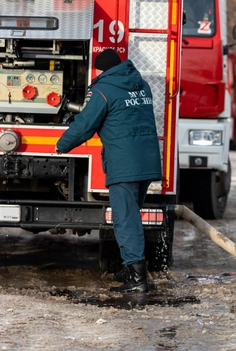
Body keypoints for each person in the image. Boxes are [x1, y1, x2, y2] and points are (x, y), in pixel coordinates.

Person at [56, 48, 161, 294]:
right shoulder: (141, 85)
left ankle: (137, 278)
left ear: (102, 69)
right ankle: (130, 266)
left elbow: (85, 125)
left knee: (126, 220)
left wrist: (62, 145)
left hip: (124, 164)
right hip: (147, 161)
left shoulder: (103, 90)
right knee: (132, 216)